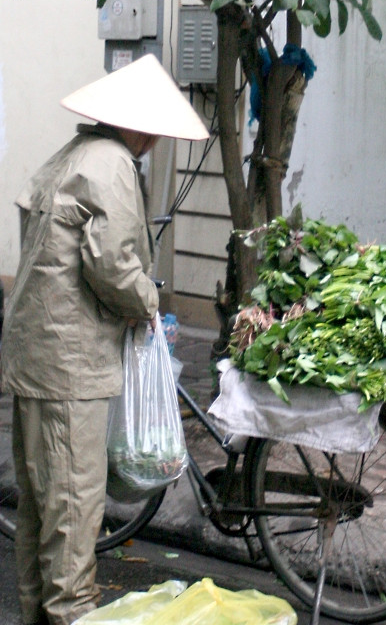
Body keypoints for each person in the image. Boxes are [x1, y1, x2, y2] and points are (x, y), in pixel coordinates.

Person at [0, 54, 209, 625]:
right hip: (70, 363)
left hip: (38, 354)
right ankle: (70, 615)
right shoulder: (111, 164)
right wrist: (150, 303)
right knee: (73, 509)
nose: (157, 143)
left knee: (43, 512)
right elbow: (114, 266)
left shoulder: (70, 156)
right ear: (139, 126)